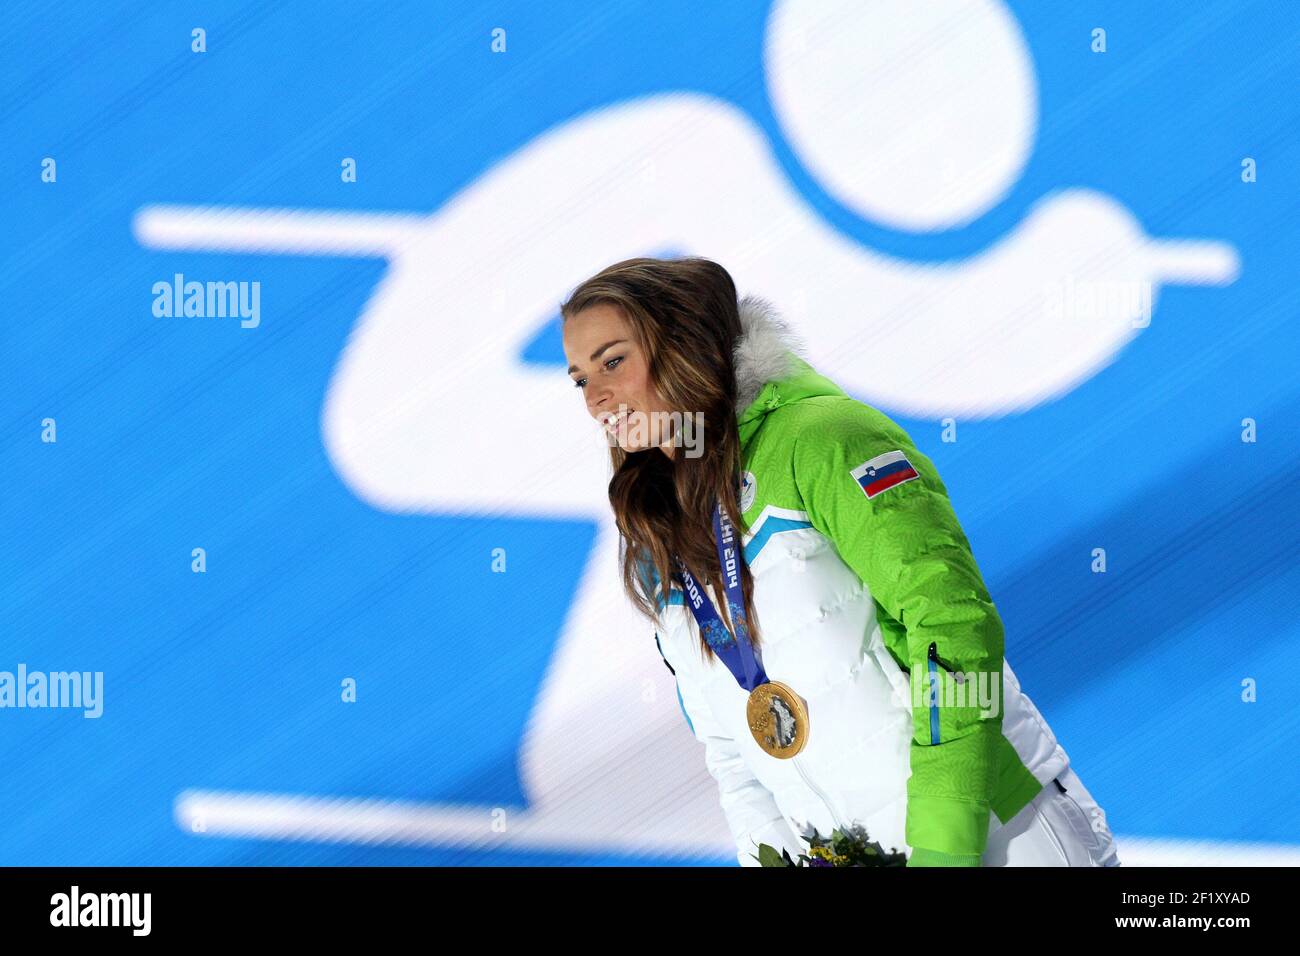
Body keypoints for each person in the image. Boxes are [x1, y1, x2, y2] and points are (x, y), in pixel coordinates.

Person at [560, 256, 1121, 868]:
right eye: (580, 378)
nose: (597, 398)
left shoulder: (824, 439)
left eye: (613, 361)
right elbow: (728, 747)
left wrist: (942, 845)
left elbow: (955, 630)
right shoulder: (654, 529)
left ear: (684, 344)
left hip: (997, 834)